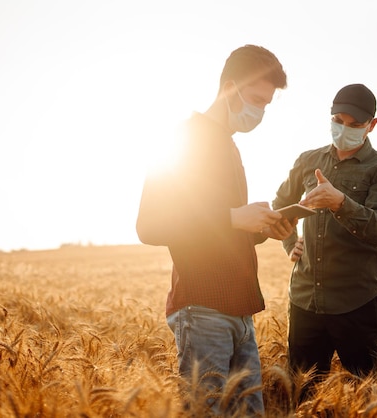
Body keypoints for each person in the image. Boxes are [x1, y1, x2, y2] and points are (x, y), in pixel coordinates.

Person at [136, 45, 294, 416]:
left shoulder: (229, 147)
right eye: (256, 99)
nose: (260, 112)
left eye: (267, 105)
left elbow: (219, 227)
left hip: (241, 312)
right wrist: (234, 218)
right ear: (229, 87)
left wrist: (263, 228)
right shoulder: (184, 138)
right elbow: (150, 224)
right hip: (202, 308)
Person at [272, 84, 377, 398]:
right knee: (302, 397)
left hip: (356, 306)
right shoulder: (308, 160)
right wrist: (291, 243)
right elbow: (280, 205)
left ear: (371, 125)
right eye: (338, 120)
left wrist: (339, 203)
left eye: (354, 124)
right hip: (304, 301)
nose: (344, 128)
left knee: (368, 397)